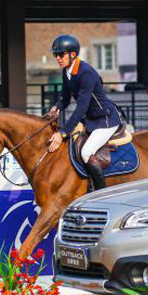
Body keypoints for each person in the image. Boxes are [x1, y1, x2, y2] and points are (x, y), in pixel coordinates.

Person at [47, 34, 122, 191]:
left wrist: (62, 133)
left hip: (105, 119)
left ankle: (100, 192)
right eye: (56, 55)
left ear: (73, 54)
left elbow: (81, 106)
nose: (58, 58)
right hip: (91, 118)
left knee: (86, 152)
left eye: (61, 54)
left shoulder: (86, 73)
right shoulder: (67, 71)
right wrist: (57, 107)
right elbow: (66, 99)